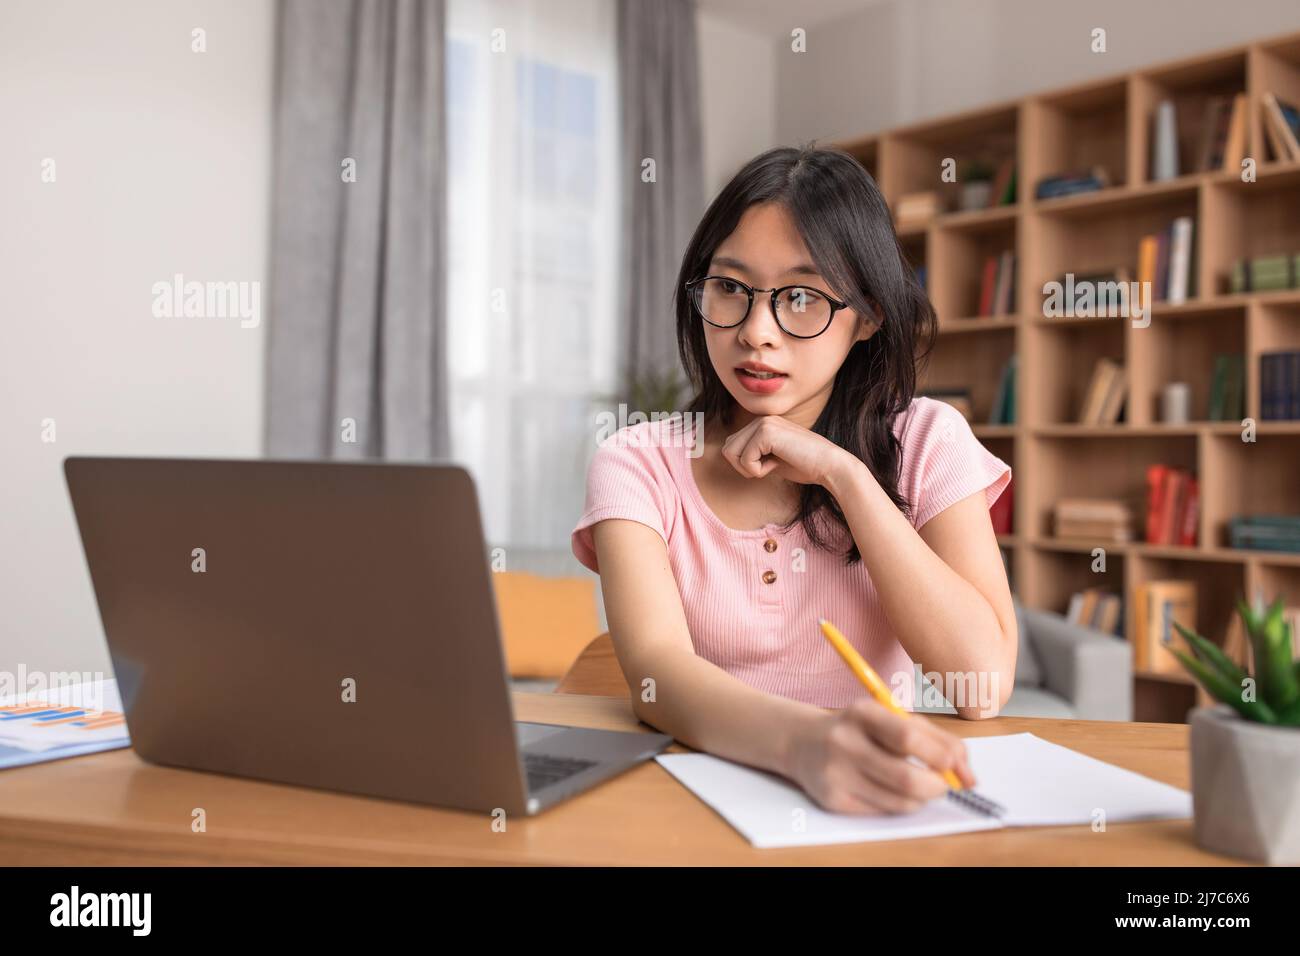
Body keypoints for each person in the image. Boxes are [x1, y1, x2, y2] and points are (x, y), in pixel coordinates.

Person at [572, 144, 1014, 815]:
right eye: (729, 287)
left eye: (801, 297)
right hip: (692, 808)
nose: (756, 332)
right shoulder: (637, 461)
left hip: (873, 811)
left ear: (867, 315)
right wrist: (807, 744)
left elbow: (979, 686)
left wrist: (845, 476)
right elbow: (657, 677)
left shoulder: (928, 440)